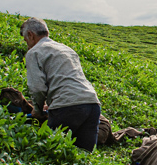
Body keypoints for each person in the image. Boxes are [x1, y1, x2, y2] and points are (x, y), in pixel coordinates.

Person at [21, 17, 102, 151]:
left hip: (68, 107)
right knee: (84, 155)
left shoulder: (34, 52)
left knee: (49, 149)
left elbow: (37, 87)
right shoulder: (67, 49)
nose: (27, 45)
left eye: (26, 41)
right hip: (92, 104)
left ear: (30, 35)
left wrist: (37, 109)